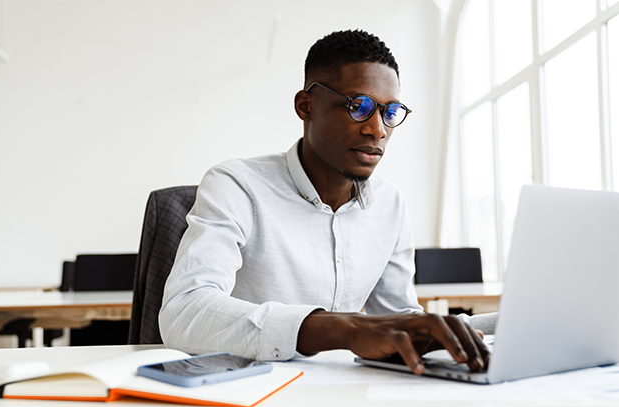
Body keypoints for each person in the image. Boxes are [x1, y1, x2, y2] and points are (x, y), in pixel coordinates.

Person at [159, 30, 491, 374]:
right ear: (306, 106)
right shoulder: (237, 185)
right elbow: (184, 311)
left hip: (337, 395)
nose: (377, 130)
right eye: (358, 106)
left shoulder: (390, 205)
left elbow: (395, 316)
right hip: (238, 396)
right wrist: (343, 329)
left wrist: (453, 333)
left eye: (390, 112)